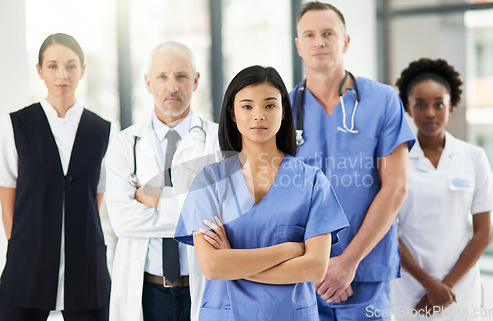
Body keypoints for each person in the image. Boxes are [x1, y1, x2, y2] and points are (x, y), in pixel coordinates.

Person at [174, 65, 349, 321]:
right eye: (247, 106)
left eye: (269, 105)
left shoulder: (312, 182)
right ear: (232, 113)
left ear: (283, 111)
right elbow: (212, 266)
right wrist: (289, 250)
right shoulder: (209, 181)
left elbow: (314, 268)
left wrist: (233, 263)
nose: (259, 116)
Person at [289, 2, 416, 320]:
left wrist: (347, 263)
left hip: (365, 272)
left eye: (328, 33)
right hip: (302, 278)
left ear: (345, 41)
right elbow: (274, 195)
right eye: (310, 34)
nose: (319, 41)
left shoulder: (383, 101)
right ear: (299, 46)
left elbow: (396, 187)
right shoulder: (283, 109)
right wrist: (313, 265)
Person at [105, 41, 219, 321]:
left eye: (181, 76)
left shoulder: (217, 141)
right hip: (146, 291)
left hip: (201, 288)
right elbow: (122, 221)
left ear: (195, 80)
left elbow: (220, 215)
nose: (172, 87)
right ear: (147, 82)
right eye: (162, 77)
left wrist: (153, 200)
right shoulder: (124, 144)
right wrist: (190, 204)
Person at [0, 33, 111, 321]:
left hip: (85, 265)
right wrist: (22, 247)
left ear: (83, 70)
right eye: (52, 66)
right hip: (27, 263)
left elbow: (96, 195)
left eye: (71, 66)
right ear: (39, 70)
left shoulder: (100, 130)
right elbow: (7, 192)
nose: (62, 75)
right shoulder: (17, 126)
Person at [390, 58, 493, 320]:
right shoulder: (396, 160)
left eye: (439, 104)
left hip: (459, 288)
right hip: (411, 287)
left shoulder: (474, 157)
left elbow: (483, 233)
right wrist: (429, 285)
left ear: (450, 105)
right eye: (420, 104)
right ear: (408, 107)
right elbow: (388, 233)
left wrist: (445, 287)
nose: (430, 113)